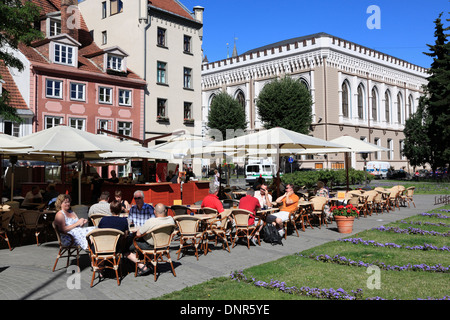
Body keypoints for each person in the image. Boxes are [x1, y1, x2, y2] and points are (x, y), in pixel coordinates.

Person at [125, 203, 175, 276]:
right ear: (165, 211)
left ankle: (142, 265)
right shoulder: (171, 220)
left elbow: (138, 234)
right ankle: (148, 263)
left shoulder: (151, 221)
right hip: (164, 245)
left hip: (151, 246)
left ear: (154, 212)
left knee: (125, 247)